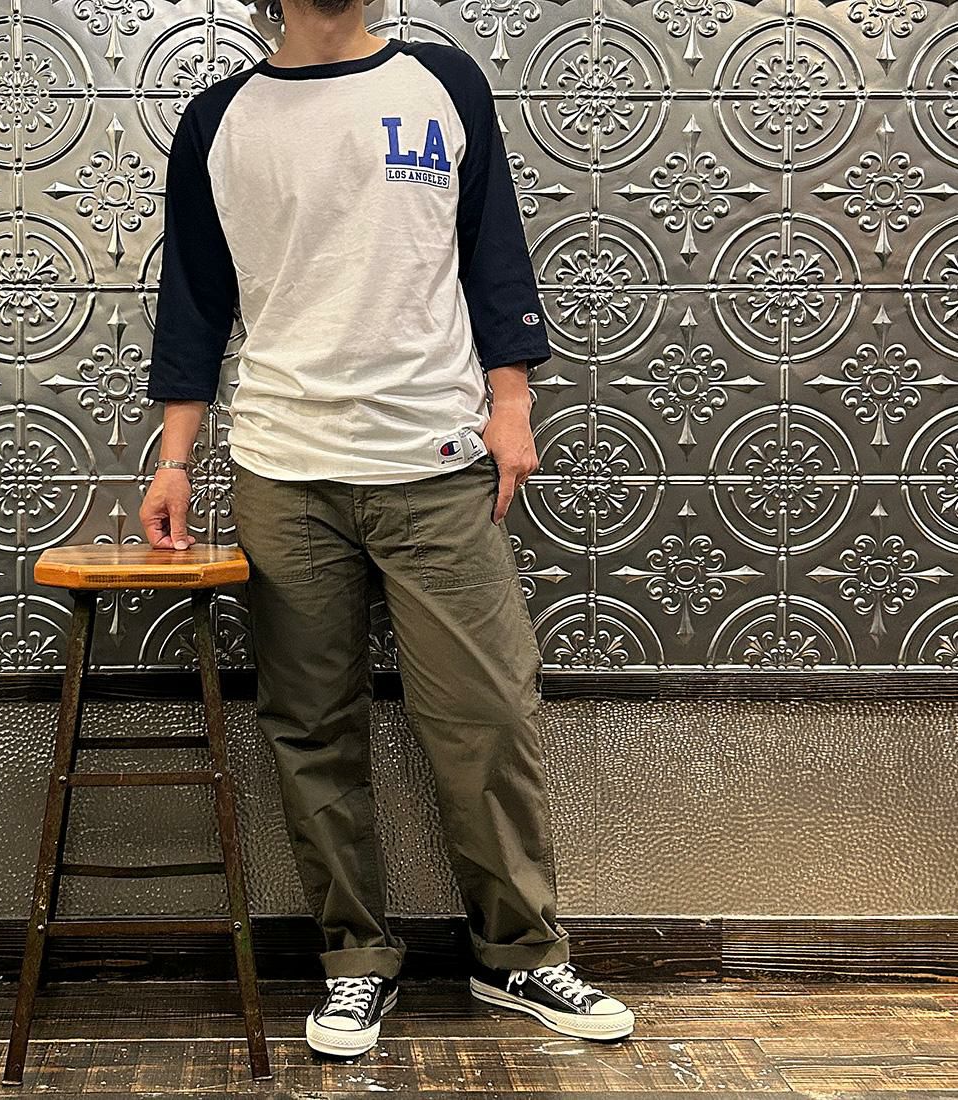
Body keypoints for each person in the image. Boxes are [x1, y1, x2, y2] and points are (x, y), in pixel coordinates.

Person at [140, 0, 635, 1060]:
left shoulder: (443, 85)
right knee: (311, 728)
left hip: (438, 462)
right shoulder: (218, 120)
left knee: (486, 715)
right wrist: (174, 457)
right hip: (284, 470)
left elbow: (492, 253)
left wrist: (512, 405)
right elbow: (194, 297)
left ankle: (517, 952)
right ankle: (354, 958)